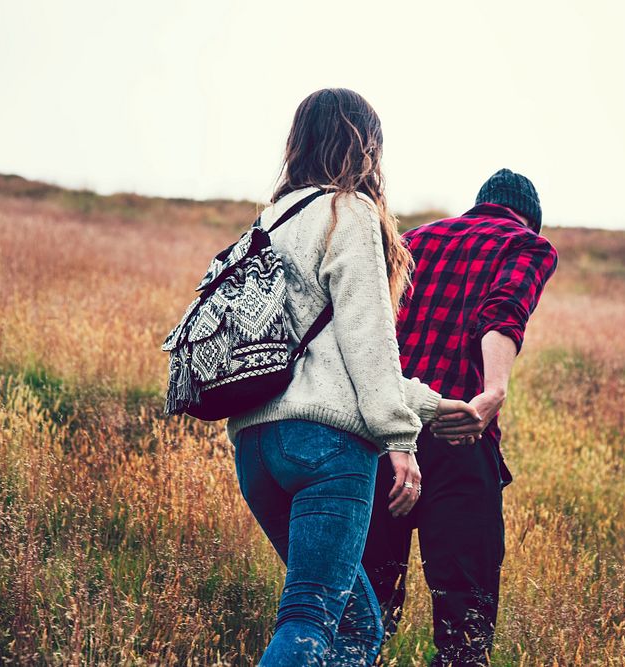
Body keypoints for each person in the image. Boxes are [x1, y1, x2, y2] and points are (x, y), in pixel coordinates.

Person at [225, 88, 479, 666]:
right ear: (365, 146)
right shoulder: (350, 213)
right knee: (311, 616)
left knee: (359, 623)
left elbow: (326, 364)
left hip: (256, 447)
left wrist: (435, 406)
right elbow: (368, 346)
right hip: (326, 451)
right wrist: (401, 442)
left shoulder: (267, 223)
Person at [362, 169, 558, 666]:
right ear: (529, 221)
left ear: (479, 204)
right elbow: (504, 310)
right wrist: (493, 389)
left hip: (382, 437)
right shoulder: (526, 246)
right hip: (458, 437)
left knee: (366, 609)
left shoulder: (415, 241)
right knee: (465, 623)